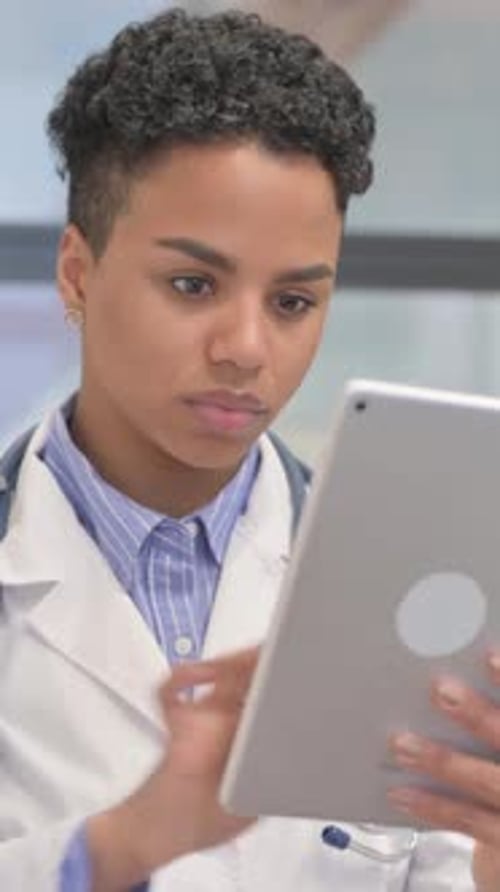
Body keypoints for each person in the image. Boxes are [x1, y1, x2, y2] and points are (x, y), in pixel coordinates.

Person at [1, 8, 500, 891]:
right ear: (78, 272)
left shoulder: (403, 586)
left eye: (294, 302)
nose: (246, 349)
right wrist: (121, 846)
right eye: (193, 284)